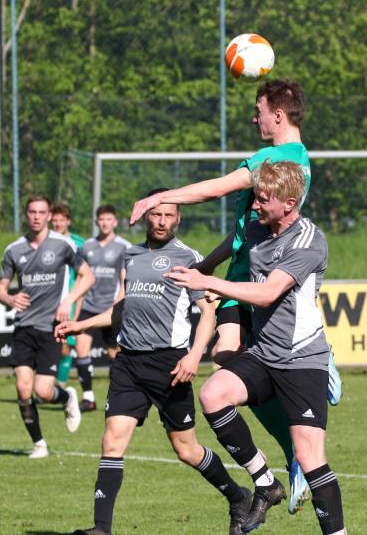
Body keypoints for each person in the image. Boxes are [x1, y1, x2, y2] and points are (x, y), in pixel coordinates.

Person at [129, 79, 339, 514]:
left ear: (277, 114)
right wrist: (209, 265)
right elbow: (245, 232)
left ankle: (296, 438)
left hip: (255, 279)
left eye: (258, 109)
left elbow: (216, 187)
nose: (254, 117)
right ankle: (273, 471)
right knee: (227, 361)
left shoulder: (277, 158)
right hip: (241, 269)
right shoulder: (298, 160)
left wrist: (162, 196)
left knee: (248, 361)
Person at [56, 191, 253, 535]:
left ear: (178, 220)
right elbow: (123, 307)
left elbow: (207, 313)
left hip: (170, 365)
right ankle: (102, 528)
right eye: (156, 214)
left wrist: (194, 355)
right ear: (146, 215)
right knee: (111, 441)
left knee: (186, 449)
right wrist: (81, 324)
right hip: (128, 362)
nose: (162, 221)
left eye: (169, 216)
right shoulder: (130, 255)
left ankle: (237, 496)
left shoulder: (188, 258)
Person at [167, 161, 346, 535]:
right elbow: (234, 243)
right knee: (214, 394)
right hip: (264, 353)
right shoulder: (255, 225)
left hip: (301, 359)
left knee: (311, 458)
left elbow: (266, 294)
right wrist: (205, 267)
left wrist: (208, 282)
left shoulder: (308, 240)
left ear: (290, 203)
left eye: (264, 199)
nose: (256, 205)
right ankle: (265, 481)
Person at [0, 195, 94, 459]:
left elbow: (88, 276)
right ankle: (39, 444)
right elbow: (0, 289)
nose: (37, 216)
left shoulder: (63, 245)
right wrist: (9, 298)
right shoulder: (13, 250)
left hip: (51, 326)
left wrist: (69, 302)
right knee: (23, 388)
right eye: (32, 212)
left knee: (43, 390)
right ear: (25, 215)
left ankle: (67, 397)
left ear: (49, 215)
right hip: (24, 327)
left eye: (42, 212)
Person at [73, 204, 133, 412]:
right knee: (81, 348)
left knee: (114, 355)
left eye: (109, 219)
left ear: (115, 222)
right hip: (89, 305)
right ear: (97, 222)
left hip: (111, 309)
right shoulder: (87, 246)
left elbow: (125, 278)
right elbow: (81, 277)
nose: (105, 223)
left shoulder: (124, 246)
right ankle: (88, 397)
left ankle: (115, 396)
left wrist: (119, 304)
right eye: (101, 219)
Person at [50, 203, 85, 386]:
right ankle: (46, 386)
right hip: (48, 301)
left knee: (65, 346)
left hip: (69, 301)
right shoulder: (44, 242)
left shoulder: (79, 244)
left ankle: (60, 386)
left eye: (61, 220)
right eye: (54, 220)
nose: (57, 224)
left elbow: (84, 276)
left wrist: (77, 302)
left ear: (68, 221)